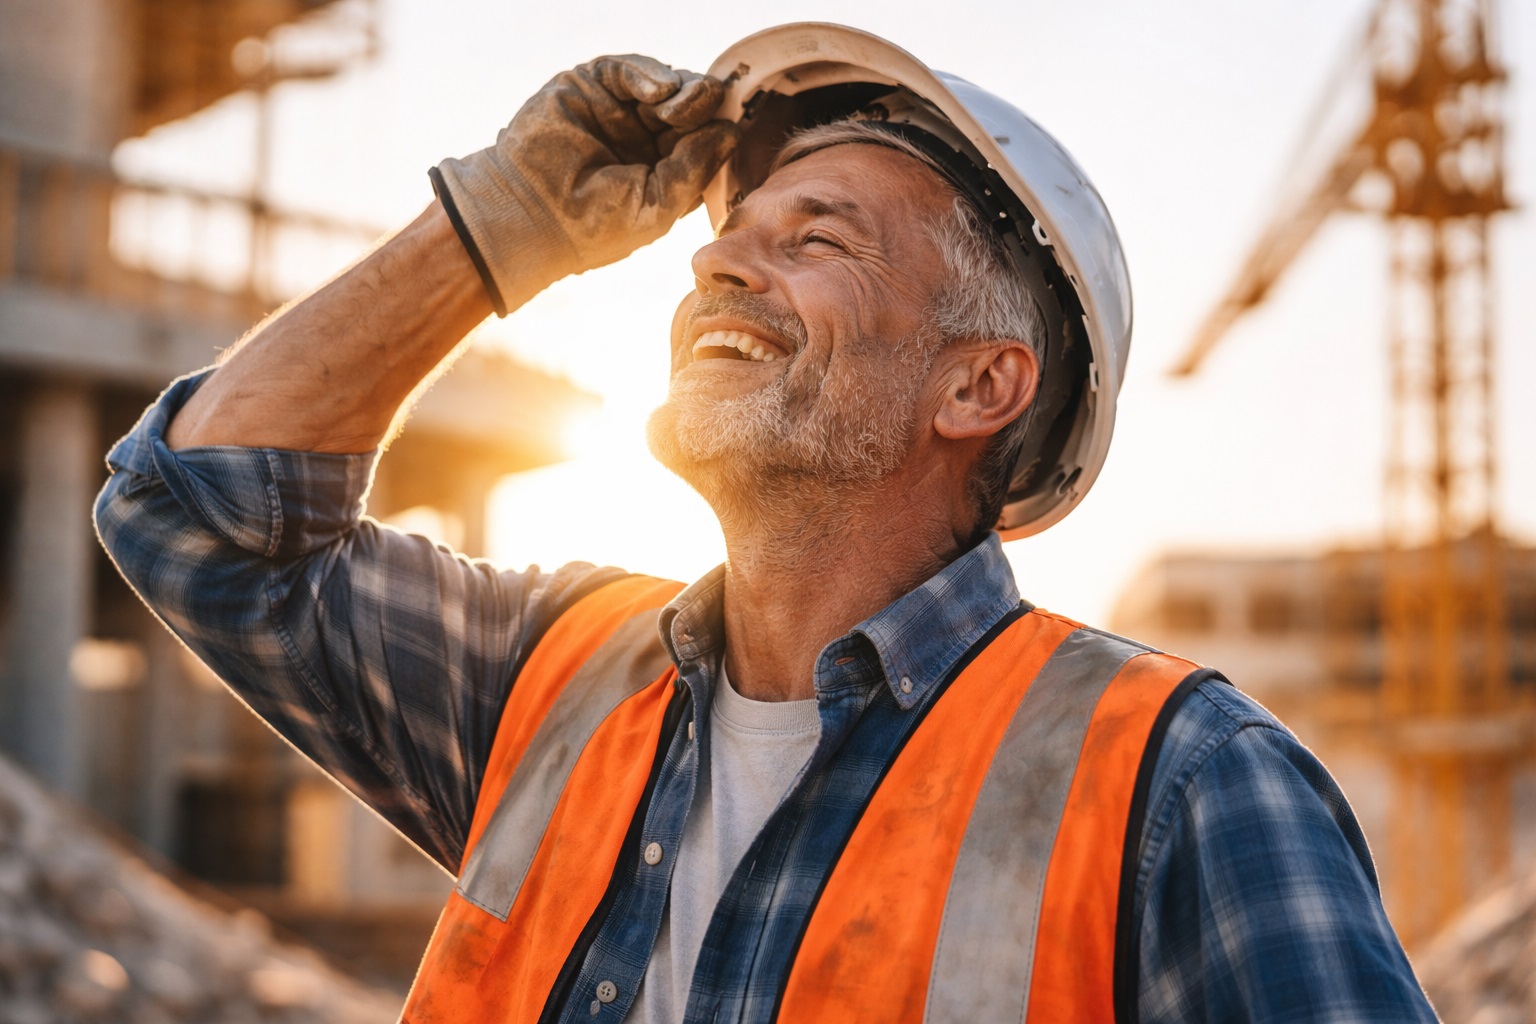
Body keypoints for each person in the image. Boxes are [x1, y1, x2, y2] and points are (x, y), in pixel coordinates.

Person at [95, 24, 1439, 1024]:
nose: (716, 259)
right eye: (734, 233)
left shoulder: (1181, 785)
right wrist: (500, 225)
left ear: (978, 386)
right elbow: (193, 512)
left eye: (818, 239)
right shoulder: (547, 678)